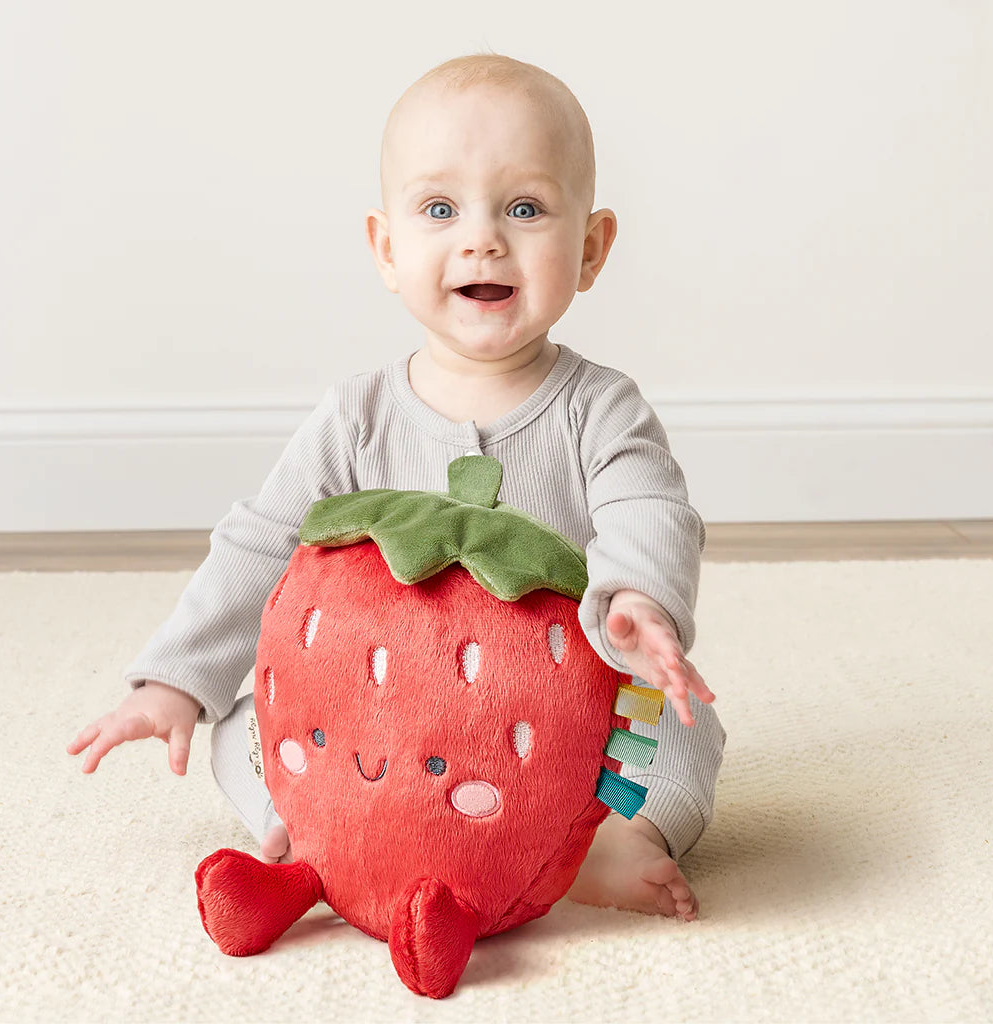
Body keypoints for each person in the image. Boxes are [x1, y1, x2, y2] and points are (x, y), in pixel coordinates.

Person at [68, 52, 725, 921]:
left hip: (548, 724)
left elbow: (649, 505)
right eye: (440, 209)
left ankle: (607, 841)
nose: (482, 238)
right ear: (387, 247)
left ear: (592, 248)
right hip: (379, 719)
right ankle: (314, 830)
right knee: (243, 732)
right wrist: (173, 681)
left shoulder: (599, 408)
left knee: (683, 730)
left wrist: (638, 598)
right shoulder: (356, 417)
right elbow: (263, 541)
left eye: (525, 208)